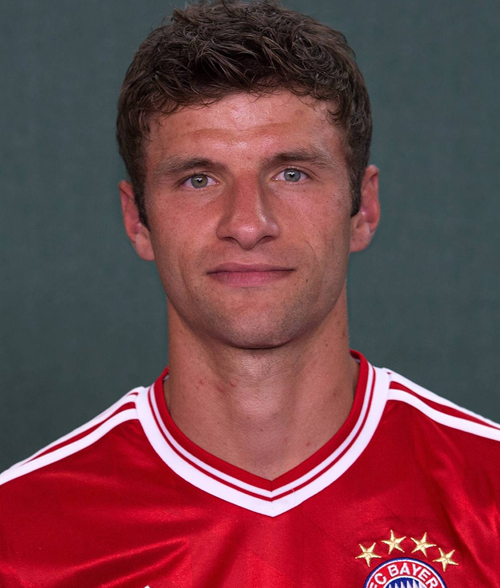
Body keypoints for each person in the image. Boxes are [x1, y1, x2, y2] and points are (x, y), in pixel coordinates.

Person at [1, 1, 499, 586]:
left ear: (363, 209)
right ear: (137, 221)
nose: (247, 223)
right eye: (198, 179)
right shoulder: (20, 537)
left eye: (292, 173)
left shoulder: (487, 500)